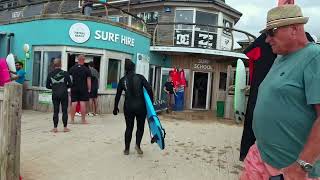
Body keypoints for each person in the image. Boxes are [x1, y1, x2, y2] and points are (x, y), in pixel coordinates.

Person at [240, 5, 320, 180]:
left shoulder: (315, 57)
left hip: (288, 169)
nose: (267, 39)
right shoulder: (280, 58)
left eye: (271, 32)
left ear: (294, 29)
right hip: (260, 154)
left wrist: (302, 166)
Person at [113, 60, 153, 155]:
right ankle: (138, 146)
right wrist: (151, 104)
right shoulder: (140, 77)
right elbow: (149, 89)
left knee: (129, 127)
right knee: (140, 127)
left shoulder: (123, 80)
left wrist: (115, 107)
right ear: (134, 68)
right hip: (141, 106)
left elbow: (118, 95)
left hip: (128, 107)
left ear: (125, 69)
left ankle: (127, 149)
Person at [46, 58, 72, 133]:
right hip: (64, 94)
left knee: (56, 111)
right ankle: (65, 128)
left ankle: (55, 128)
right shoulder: (65, 73)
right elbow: (70, 84)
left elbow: (47, 86)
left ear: (53, 65)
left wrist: (54, 87)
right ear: (60, 64)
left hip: (55, 94)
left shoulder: (50, 74)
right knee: (64, 111)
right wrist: (64, 86)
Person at [69, 55, 91, 124]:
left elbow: (70, 79)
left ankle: (72, 120)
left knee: (73, 103)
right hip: (83, 89)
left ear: (77, 60)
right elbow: (89, 80)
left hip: (74, 88)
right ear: (84, 60)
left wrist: (70, 87)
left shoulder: (72, 68)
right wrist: (89, 89)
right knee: (82, 103)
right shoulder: (87, 69)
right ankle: (83, 120)